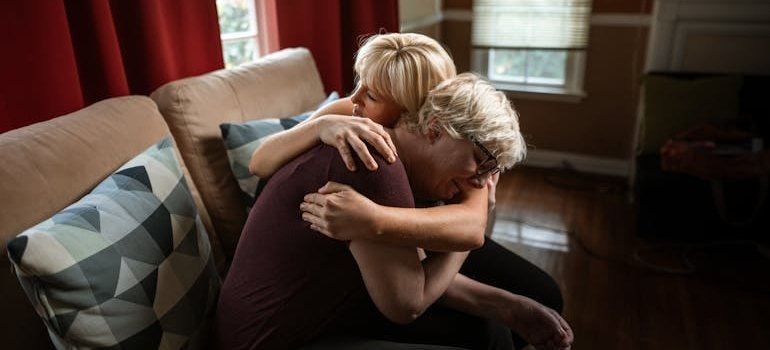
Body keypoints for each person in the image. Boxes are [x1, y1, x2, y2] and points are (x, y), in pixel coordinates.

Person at [249, 32, 568, 348]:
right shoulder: (352, 118)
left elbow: (472, 229)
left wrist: (374, 219)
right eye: (360, 83)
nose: (355, 98)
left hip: (417, 229)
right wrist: (320, 126)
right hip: (344, 263)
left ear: (414, 112)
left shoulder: (462, 139)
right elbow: (259, 163)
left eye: (373, 95)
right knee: (490, 330)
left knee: (543, 293)